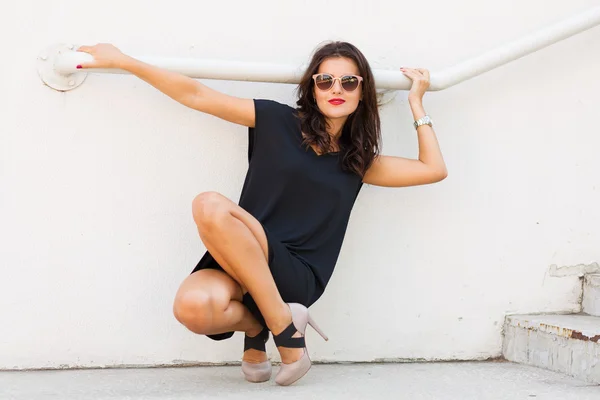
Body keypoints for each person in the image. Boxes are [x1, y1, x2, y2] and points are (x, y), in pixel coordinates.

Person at [76, 41, 447, 386]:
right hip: (240, 256)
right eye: (325, 80)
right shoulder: (274, 119)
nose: (337, 89)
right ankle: (267, 324)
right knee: (192, 308)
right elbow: (195, 94)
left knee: (209, 204)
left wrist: (417, 103)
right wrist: (123, 60)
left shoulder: (359, 161)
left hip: (297, 276)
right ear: (312, 87)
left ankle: (284, 330)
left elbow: (433, 169)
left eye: (349, 81)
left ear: (362, 91)